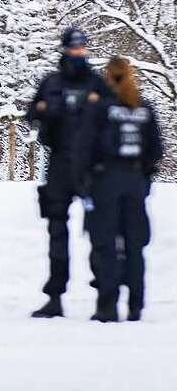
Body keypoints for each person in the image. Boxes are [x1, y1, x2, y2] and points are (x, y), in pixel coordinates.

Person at [24, 27, 112, 318]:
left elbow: (111, 121)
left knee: (100, 233)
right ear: (64, 50)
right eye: (73, 49)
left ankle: (104, 298)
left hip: (91, 167)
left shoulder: (97, 84)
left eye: (82, 49)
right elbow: (32, 115)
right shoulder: (51, 82)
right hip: (60, 163)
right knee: (56, 231)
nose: (78, 53)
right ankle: (55, 297)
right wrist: (46, 112)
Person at [79, 57, 162, 323]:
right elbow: (156, 150)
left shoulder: (101, 108)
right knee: (134, 245)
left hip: (106, 180)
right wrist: (144, 178)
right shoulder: (145, 108)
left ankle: (108, 305)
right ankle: (136, 305)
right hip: (135, 181)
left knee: (105, 244)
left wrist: (84, 180)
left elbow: (86, 147)